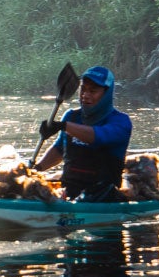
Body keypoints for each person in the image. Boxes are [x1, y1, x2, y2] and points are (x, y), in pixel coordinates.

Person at [36, 65, 132, 201]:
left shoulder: (121, 122)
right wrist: (36, 170)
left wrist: (63, 126)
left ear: (106, 94)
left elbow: (98, 137)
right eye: (83, 89)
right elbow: (59, 150)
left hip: (103, 196)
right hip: (69, 189)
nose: (85, 95)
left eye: (93, 91)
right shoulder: (71, 117)